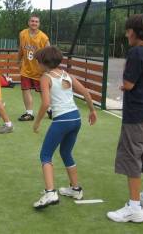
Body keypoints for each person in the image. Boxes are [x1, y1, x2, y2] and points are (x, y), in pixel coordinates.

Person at [32, 46, 97, 209]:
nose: (37, 65)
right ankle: (75, 189)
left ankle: (50, 192)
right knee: (65, 152)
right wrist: (92, 110)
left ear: (44, 62)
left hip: (61, 120)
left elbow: (46, 103)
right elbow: (86, 92)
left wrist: (37, 121)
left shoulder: (45, 77)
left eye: (38, 62)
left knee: (45, 155)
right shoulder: (67, 74)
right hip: (76, 118)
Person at [107, 14, 143, 223]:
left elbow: (128, 84)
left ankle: (134, 208)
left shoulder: (136, 52)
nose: (126, 34)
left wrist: (123, 84)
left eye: (127, 31)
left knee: (132, 158)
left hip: (137, 116)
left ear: (133, 32)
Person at [18, 14, 51, 121]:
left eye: (36, 21)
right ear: (28, 22)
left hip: (39, 70)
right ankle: (29, 113)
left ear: (39, 24)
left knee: (43, 91)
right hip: (26, 69)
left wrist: (49, 68)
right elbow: (21, 48)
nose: (34, 23)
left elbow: (50, 52)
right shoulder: (23, 33)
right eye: (32, 21)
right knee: (25, 90)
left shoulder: (43, 37)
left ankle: (50, 110)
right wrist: (18, 60)